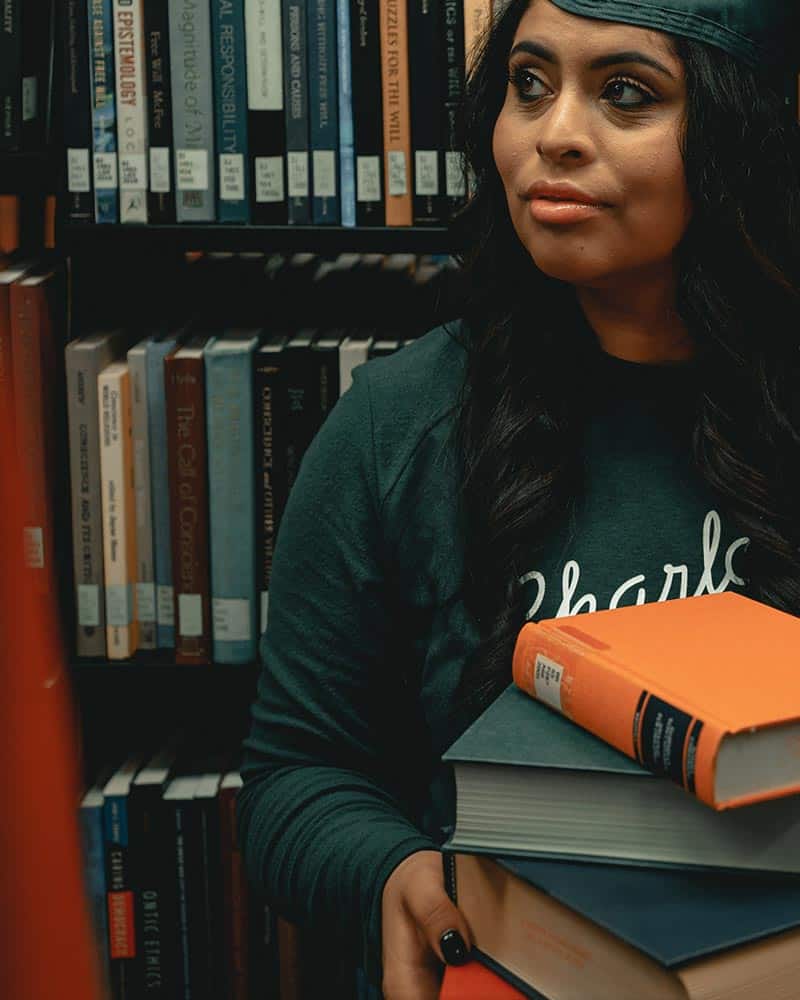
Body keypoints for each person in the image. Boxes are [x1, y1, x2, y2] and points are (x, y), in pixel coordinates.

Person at [237, 1, 800, 997]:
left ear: (735, 134)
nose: (553, 134)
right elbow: (298, 772)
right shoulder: (396, 426)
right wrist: (388, 868)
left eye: (624, 94)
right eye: (528, 85)